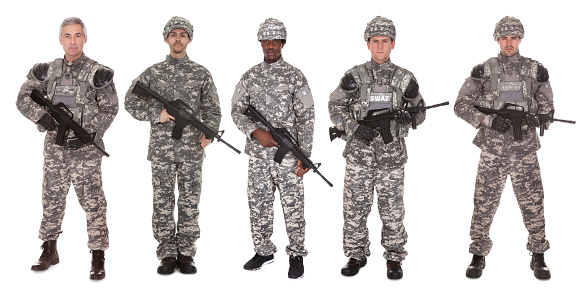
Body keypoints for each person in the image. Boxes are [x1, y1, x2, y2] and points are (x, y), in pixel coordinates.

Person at [16, 17, 118, 280]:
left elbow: (110, 107)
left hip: (86, 152)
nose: (73, 41)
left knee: (93, 202)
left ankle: (98, 254)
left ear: (85, 38)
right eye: (67, 36)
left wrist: (91, 133)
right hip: (55, 149)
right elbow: (23, 97)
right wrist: (41, 116)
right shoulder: (46, 71)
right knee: (52, 198)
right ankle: (49, 248)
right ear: (60, 39)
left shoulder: (99, 74)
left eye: (78, 36)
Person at [454, 16, 552, 280]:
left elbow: (547, 107)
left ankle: (538, 254)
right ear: (497, 40)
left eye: (513, 38)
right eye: (504, 38)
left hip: (524, 150)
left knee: (533, 203)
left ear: (520, 39)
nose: (509, 43)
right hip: (492, 151)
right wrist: (487, 120)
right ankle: (478, 253)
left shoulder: (535, 70)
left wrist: (539, 117)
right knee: (483, 203)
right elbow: (461, 105)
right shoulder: (485, 70)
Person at [328, 16, 425, 280]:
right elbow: (334, 105)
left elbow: (420, 111)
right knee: (355, 207)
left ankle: (394, 258)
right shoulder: (354, 76)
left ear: (393, 44)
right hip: (359, 155)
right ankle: (355, 254)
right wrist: (353, 127)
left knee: (392, 208)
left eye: (385, 41)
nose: (380, 46)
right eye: (375, 41)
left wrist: (410, 117)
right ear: (367, 44)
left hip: (391, 156)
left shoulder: (404, 79)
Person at [124, 16, 221, 275]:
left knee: (190, 201)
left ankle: (186, 253)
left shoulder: (201, 73)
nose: (178, 39)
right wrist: (158, 114)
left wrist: (209, 134)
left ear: (189, 39)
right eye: (173, 34)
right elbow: (130, 101)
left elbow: (213, 108)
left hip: (191, 150)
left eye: (183, 35)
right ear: (166, 38)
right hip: (162, 151)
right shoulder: (153, 72)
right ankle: (167, 253)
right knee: (163, 201)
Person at [231, 18, 314, 279]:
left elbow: (307, 116)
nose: (270, 45)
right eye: (266, 41)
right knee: (258, 204)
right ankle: (264, 251)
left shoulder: (295, 76)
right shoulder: (249, 76)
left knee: (293, 206)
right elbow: (236, 109)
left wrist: (305, 156)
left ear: (282, 43)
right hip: (257, 156)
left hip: (289, 157)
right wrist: (256, 132)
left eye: (275, 41)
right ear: (261, 43)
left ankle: (297, 253)